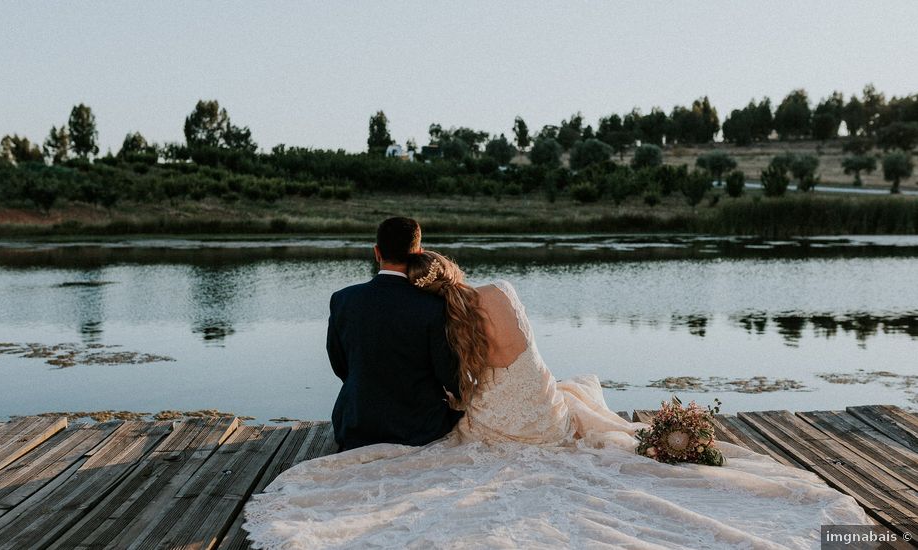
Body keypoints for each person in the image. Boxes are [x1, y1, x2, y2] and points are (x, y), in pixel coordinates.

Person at [244, 250, 870, 549]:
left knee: (488, 421)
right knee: (573, 402)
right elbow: (526, 350)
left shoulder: (450, 314)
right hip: (534, 403)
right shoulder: (498, 293)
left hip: (490, 416)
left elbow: (459, 381)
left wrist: (459, 403)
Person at [325, 218, 462, 451]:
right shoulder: (434, 306)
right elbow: (447, 374)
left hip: (357, 424)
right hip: (419, 428)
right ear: (418, 252)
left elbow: (340, 365)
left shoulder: (343, 299)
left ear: (377, 252)